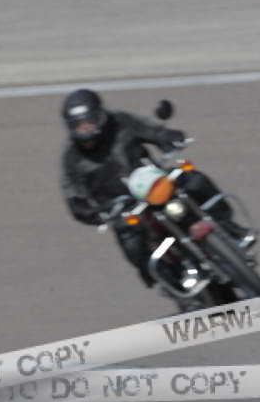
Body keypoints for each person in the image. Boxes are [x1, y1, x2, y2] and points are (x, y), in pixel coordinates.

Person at [59, 88, 244, 289]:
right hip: (124, 209)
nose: (85, 128)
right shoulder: (71, 159)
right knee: (132, 244)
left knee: (194, 180)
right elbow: (72, 191)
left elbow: (152, 129)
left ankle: (228, 227)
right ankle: (172, 280)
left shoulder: (120, 121)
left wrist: (168, 136)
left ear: (100, 115)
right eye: (78, 125)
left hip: (155, 185)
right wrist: (83, 209)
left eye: (89, 121)